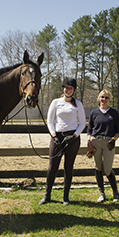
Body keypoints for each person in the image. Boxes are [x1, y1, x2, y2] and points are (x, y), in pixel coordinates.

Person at [39, 77, 86, 205]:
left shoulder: (78, 105)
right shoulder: (55, 102)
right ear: (63, 88)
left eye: (70, 88)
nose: (68, 90)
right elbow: (50, 120)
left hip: (72, 139)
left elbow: (82, 123)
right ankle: (47, 195)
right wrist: (54, 135)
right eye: (66, 87)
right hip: (57, 137)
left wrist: (75, 135)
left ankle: (66, 197)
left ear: (73, 90)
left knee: (68, 167)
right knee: (52, 167)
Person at [87, 89, 119, 203]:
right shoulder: (94, 113)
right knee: (98, 167)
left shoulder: (114, 113)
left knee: (107, 169)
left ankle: (115, 192)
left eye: (106, 97)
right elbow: (89, 129)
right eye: (102, 97)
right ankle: (101, 193)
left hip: (108, 144)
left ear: (109, 99)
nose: (104, 99)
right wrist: (89, 142)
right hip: (96, 142)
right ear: (99, 98)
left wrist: (114, 139)